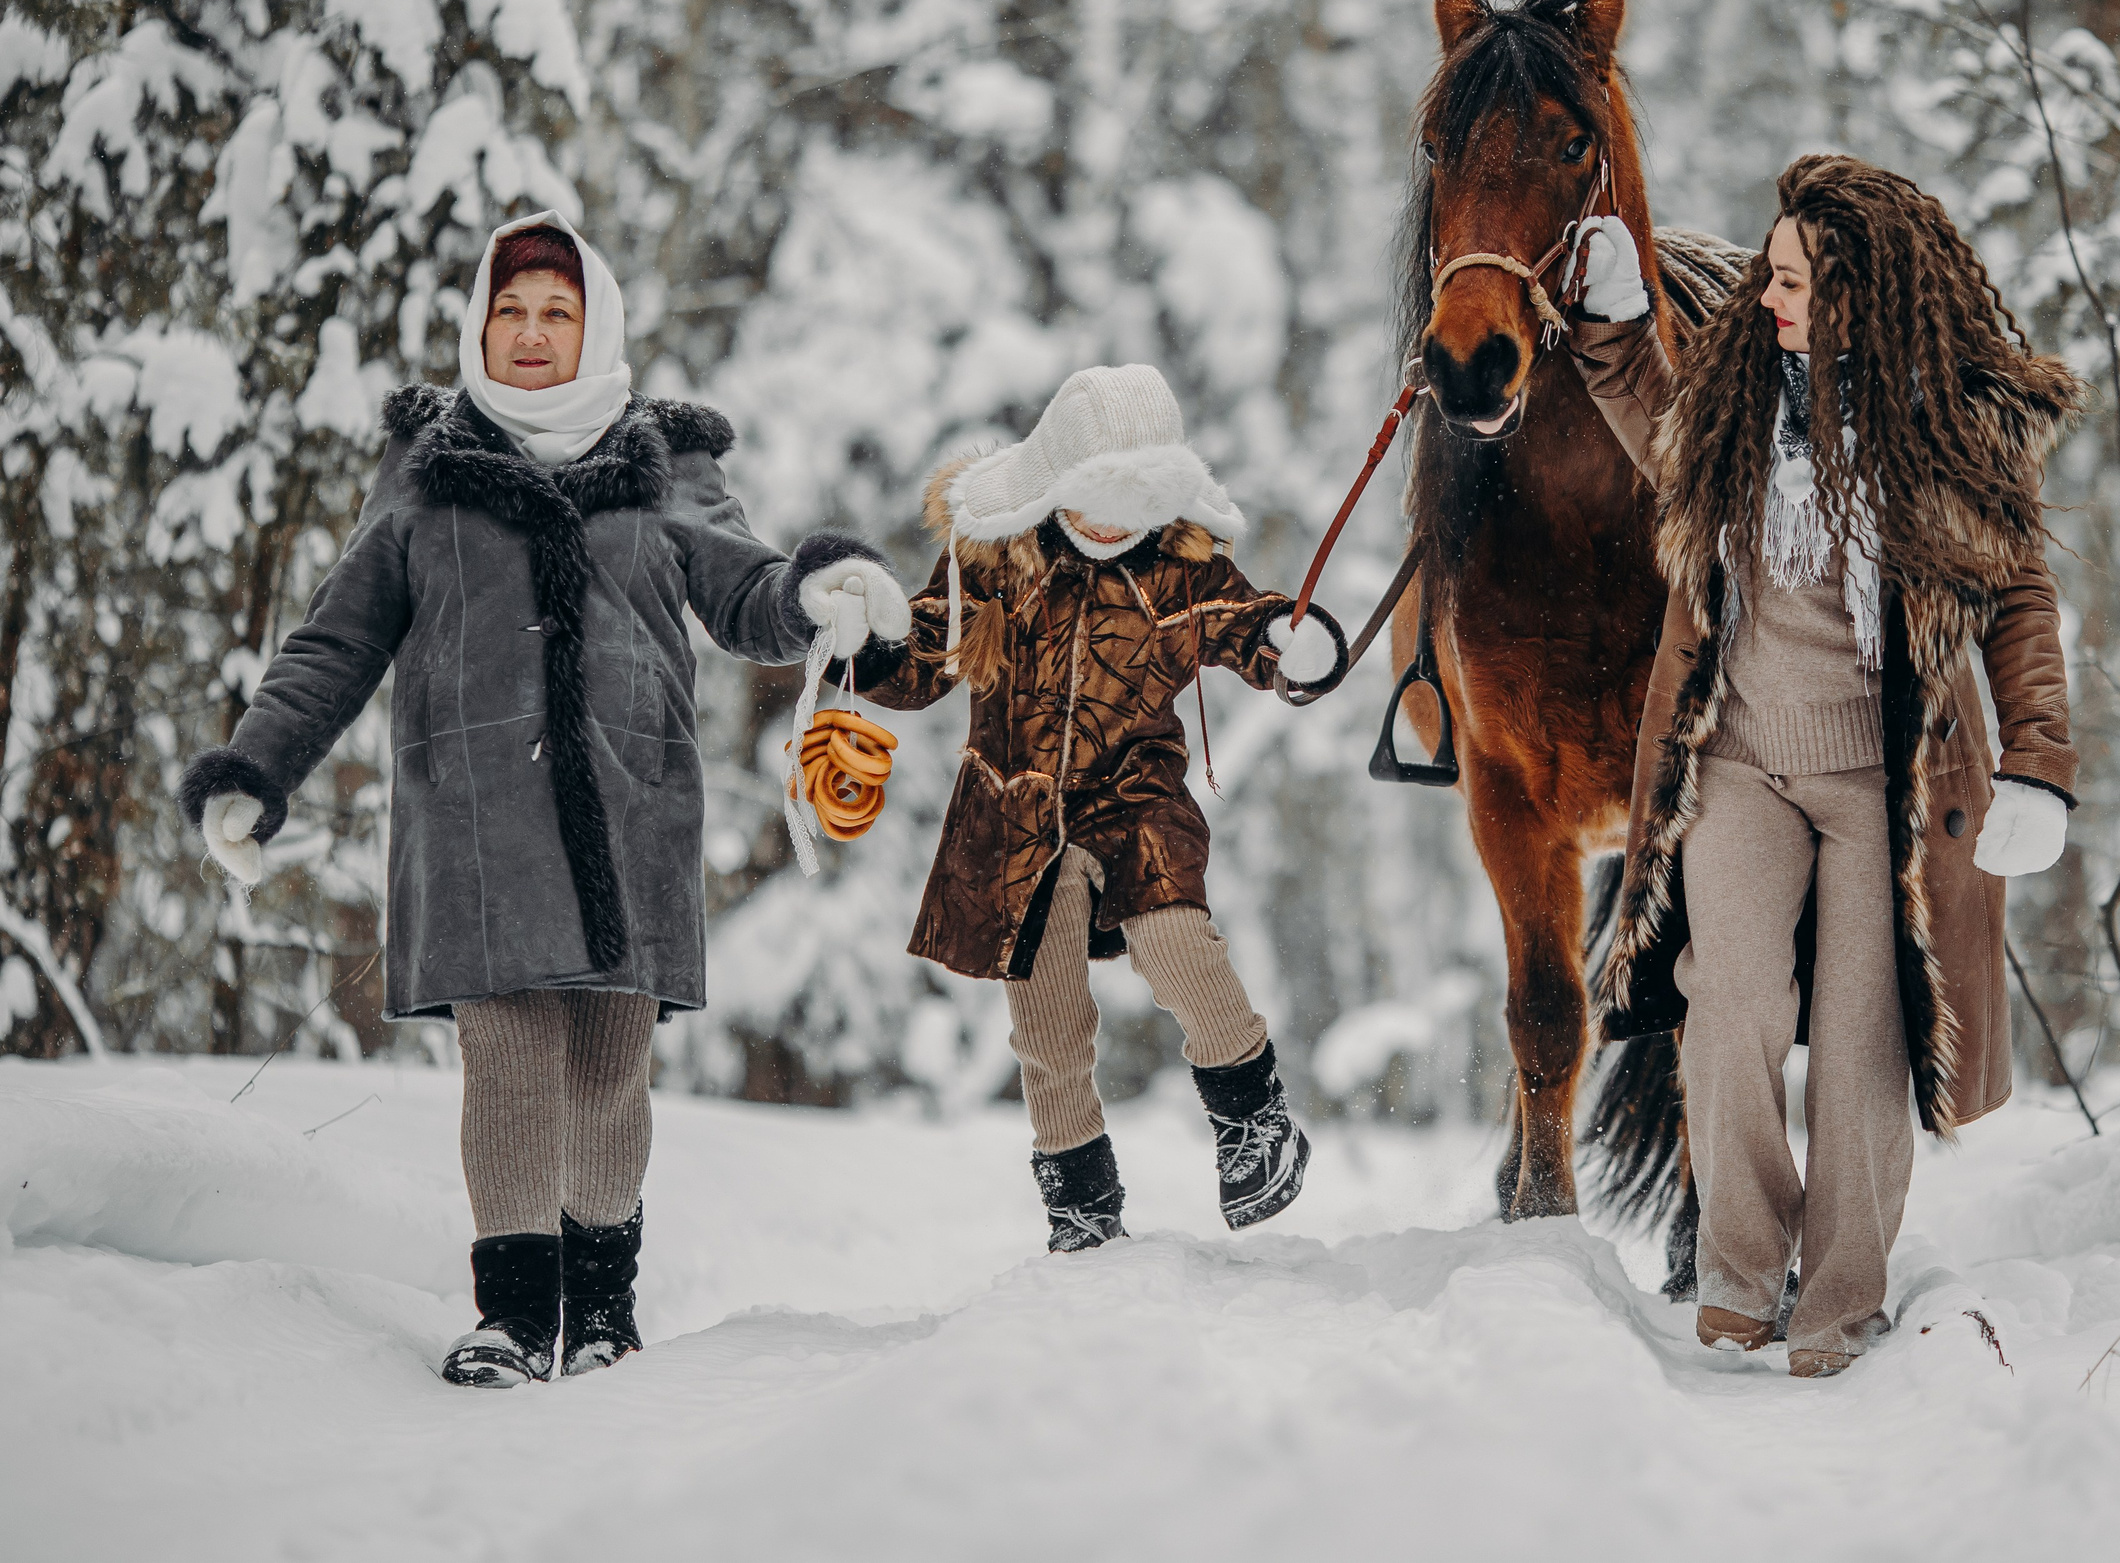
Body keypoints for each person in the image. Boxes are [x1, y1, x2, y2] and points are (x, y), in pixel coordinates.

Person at [180, 210, 906, 1388]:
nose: (529, 333)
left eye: (555, 312)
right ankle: (515, 1319)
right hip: (475, 817)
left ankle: (606, 1312)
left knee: (608, 1071)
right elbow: (337, 637)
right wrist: (255, 768)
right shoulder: (425, 469)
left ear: (594, 325)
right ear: (479, 323)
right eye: (509, 311)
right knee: (510, 1061)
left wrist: (823, 590)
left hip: (633, 806)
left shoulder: (666, 462)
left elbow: (745, 592)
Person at [1564, 155, 2080, 1377]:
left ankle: (1842, 1303)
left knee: (1862, 1043)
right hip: (1737, 763)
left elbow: (2016, 594)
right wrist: (1614, 317)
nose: (1766, 294)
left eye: (1792, 279)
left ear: (1856, 294)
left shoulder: (1944, 431)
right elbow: (1646, 410)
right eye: (1769, 270)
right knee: (1726, 1007)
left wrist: (2040, 761)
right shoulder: (1736, 402)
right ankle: (1740, 1276)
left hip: (1883, 790)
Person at [821, 365, 1349, 1251]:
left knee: (1177, 939)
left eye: (1135, 503)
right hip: (1017, 809)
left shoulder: (1180, 567)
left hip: (1136, 794)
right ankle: (1079, 1197)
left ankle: (1255, 1117)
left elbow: (1243, 618)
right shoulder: (996, 562)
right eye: (1094, 498)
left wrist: (1282, 644)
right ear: (1055, 482)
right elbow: (923, 654)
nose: (1112, 523)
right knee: (1048, 1006)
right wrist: (864, 651)